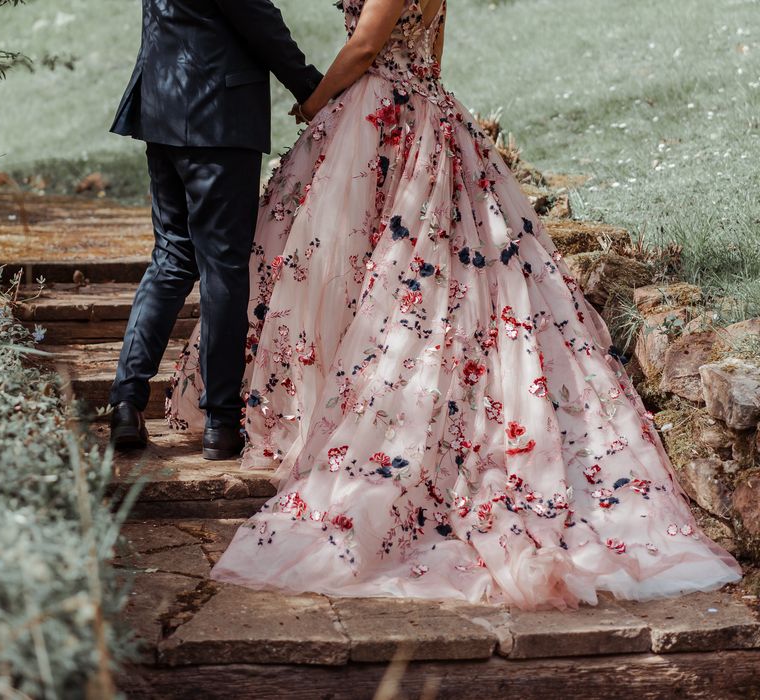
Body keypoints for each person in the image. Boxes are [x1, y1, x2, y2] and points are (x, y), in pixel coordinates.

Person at [169, 0, 743, 609]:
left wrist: (314, 104)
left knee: (379, 271)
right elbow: (434, 52)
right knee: (361, 268)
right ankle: (322, 407)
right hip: (415, 109)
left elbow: (365, 46)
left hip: (382, 111)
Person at [108, 0, 322, 460]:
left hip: (163, 110)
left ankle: (126, 401)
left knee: (170, 257)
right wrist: (311, 88)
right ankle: (221, 424)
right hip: (216, 117)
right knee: (223, 268)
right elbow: (256, 18)